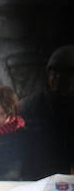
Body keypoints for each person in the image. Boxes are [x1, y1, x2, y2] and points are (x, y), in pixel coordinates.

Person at [20, 45, 74, 180]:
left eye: (67, 74)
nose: (59, 78)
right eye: (54, 73)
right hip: (38, 178)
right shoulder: (28, 106)